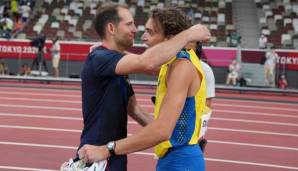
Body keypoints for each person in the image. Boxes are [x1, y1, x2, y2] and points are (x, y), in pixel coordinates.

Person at [77, 7, 210, 171]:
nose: (141, 35)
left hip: (178, 161)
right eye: (129, 24)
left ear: (170, 39)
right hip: (107, 155)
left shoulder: (180, 66)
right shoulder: (103, 59)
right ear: (111, 28)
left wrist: (107, 149)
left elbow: (161, 129)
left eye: (150, 32)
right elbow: (136, 109)